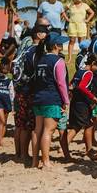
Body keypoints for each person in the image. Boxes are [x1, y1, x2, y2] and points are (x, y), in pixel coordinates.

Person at [29, 32, 71, 169]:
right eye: (60, 43)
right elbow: (61, 83)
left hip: (38, 98)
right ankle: (46, 161)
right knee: (48, 131)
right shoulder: (58, 61)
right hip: (51, 98)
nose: (62, 45)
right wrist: (66, 100)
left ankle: (35, 160)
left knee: (37, 130)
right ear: (55, 46)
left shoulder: (40, 59)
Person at [13, 24, 48, 160]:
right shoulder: (36, 51)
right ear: (39, 35)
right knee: (28, 125)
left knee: (21, 123)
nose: (47, 36)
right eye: (45, 33)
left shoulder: (25, 50)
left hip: (21, 89)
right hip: (30, 90)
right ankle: (24, 154)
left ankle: (19, 153)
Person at [63, 54, 97, 161]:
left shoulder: (79, 71)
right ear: (93, 64)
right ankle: (64, 147)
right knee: (76, 127)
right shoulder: (89, 73)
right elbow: (82, 87)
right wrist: (94, 98)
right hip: (82, 104)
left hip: (76, 102)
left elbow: (71, 84)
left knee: (89, 124)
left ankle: (89, 150)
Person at [0, 58, 14, 147]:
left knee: (4, 122)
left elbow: (12, 94)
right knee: (2, 120)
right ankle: (0, 140)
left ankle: (1, 138)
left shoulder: (9, 81)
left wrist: (12, 106)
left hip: (6, 102)